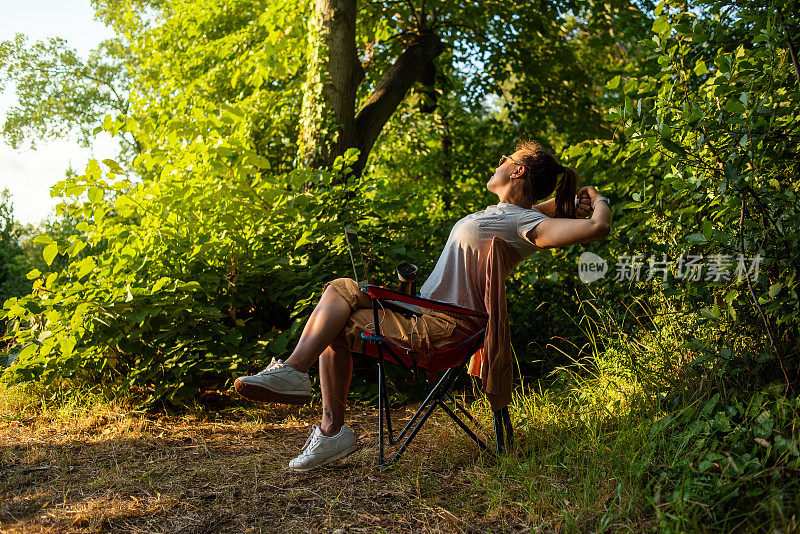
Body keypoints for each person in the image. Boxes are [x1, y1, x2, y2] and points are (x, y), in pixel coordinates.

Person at [234, 141, 612, 471]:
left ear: (517, 169)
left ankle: (304, 390)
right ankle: (321, 416)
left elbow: (596, 228)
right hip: (421, 312)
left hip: (443, 327)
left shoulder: (524, 223)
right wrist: (561, 204)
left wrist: (599, 202)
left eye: (504, 159)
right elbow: (524, 211)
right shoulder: (509, 214)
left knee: (339, 297)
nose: (497, 163)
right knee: (337, 304)